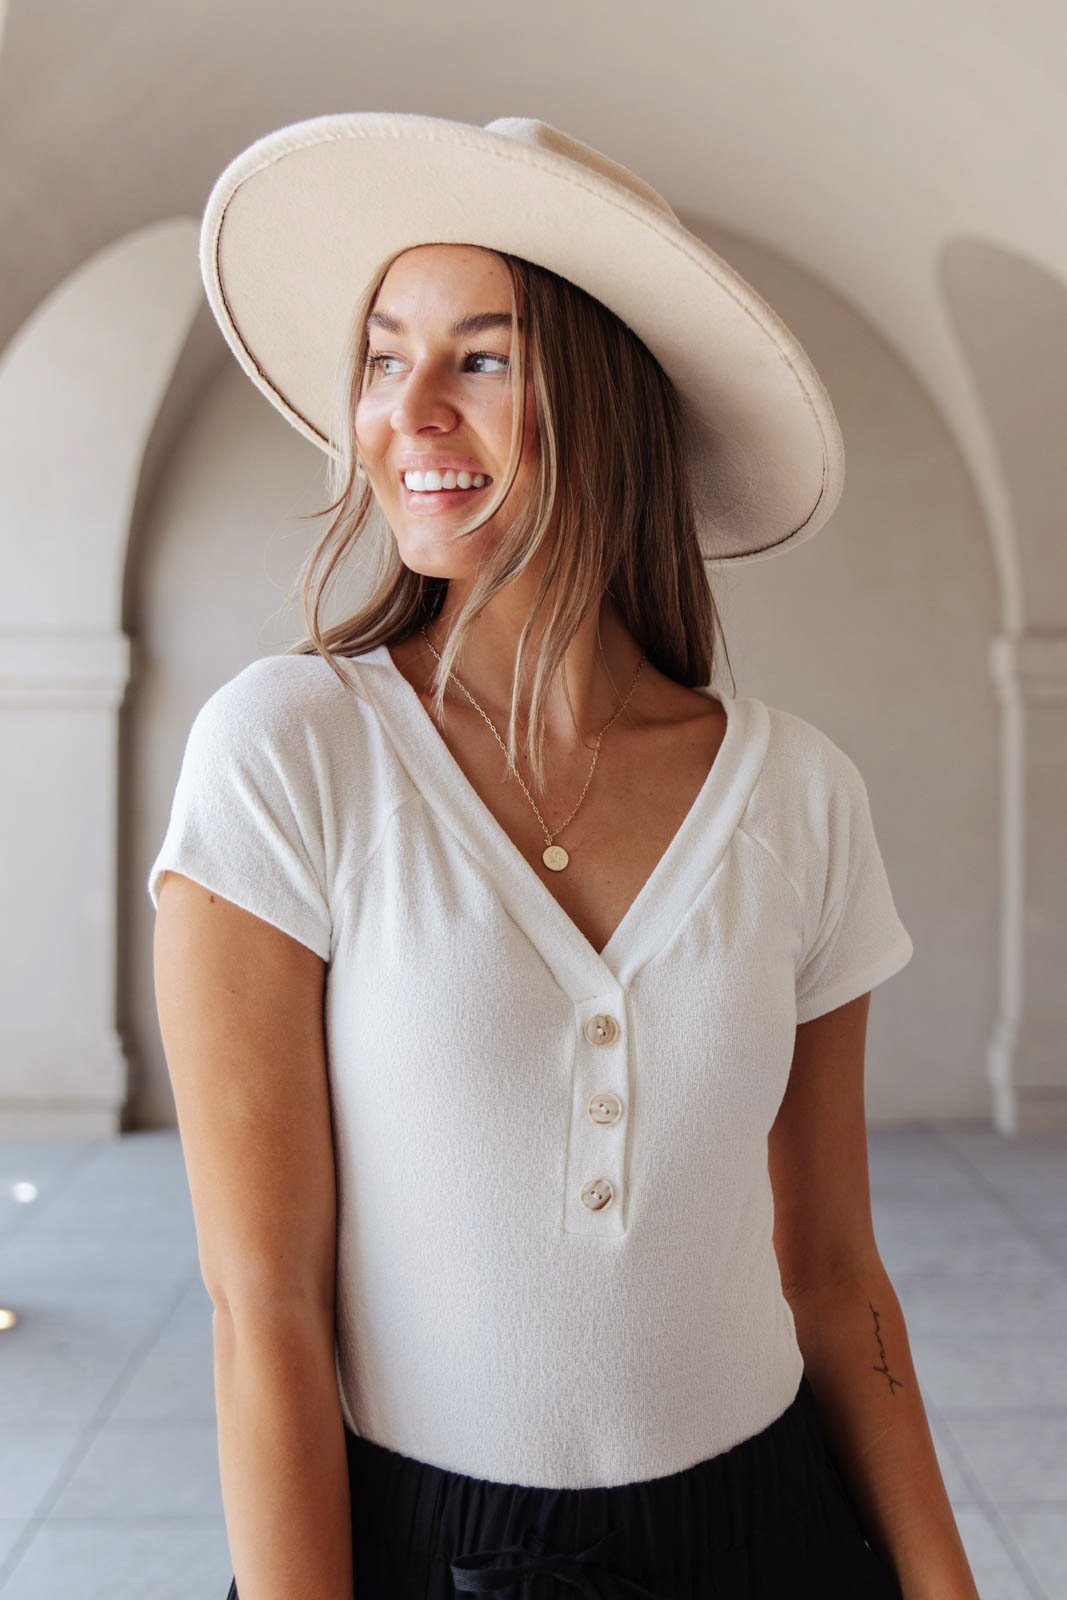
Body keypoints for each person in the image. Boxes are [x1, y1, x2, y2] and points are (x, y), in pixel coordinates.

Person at [148, 114, 980, 1599]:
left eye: (482, 358)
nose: (412, 410)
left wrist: (944, 1583)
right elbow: (260, 1302)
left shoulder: (797, 793)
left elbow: (838, 1279)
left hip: (774, 1542)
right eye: (385, 356)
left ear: (606, 402)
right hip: (421, 1551)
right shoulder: (288, 750)